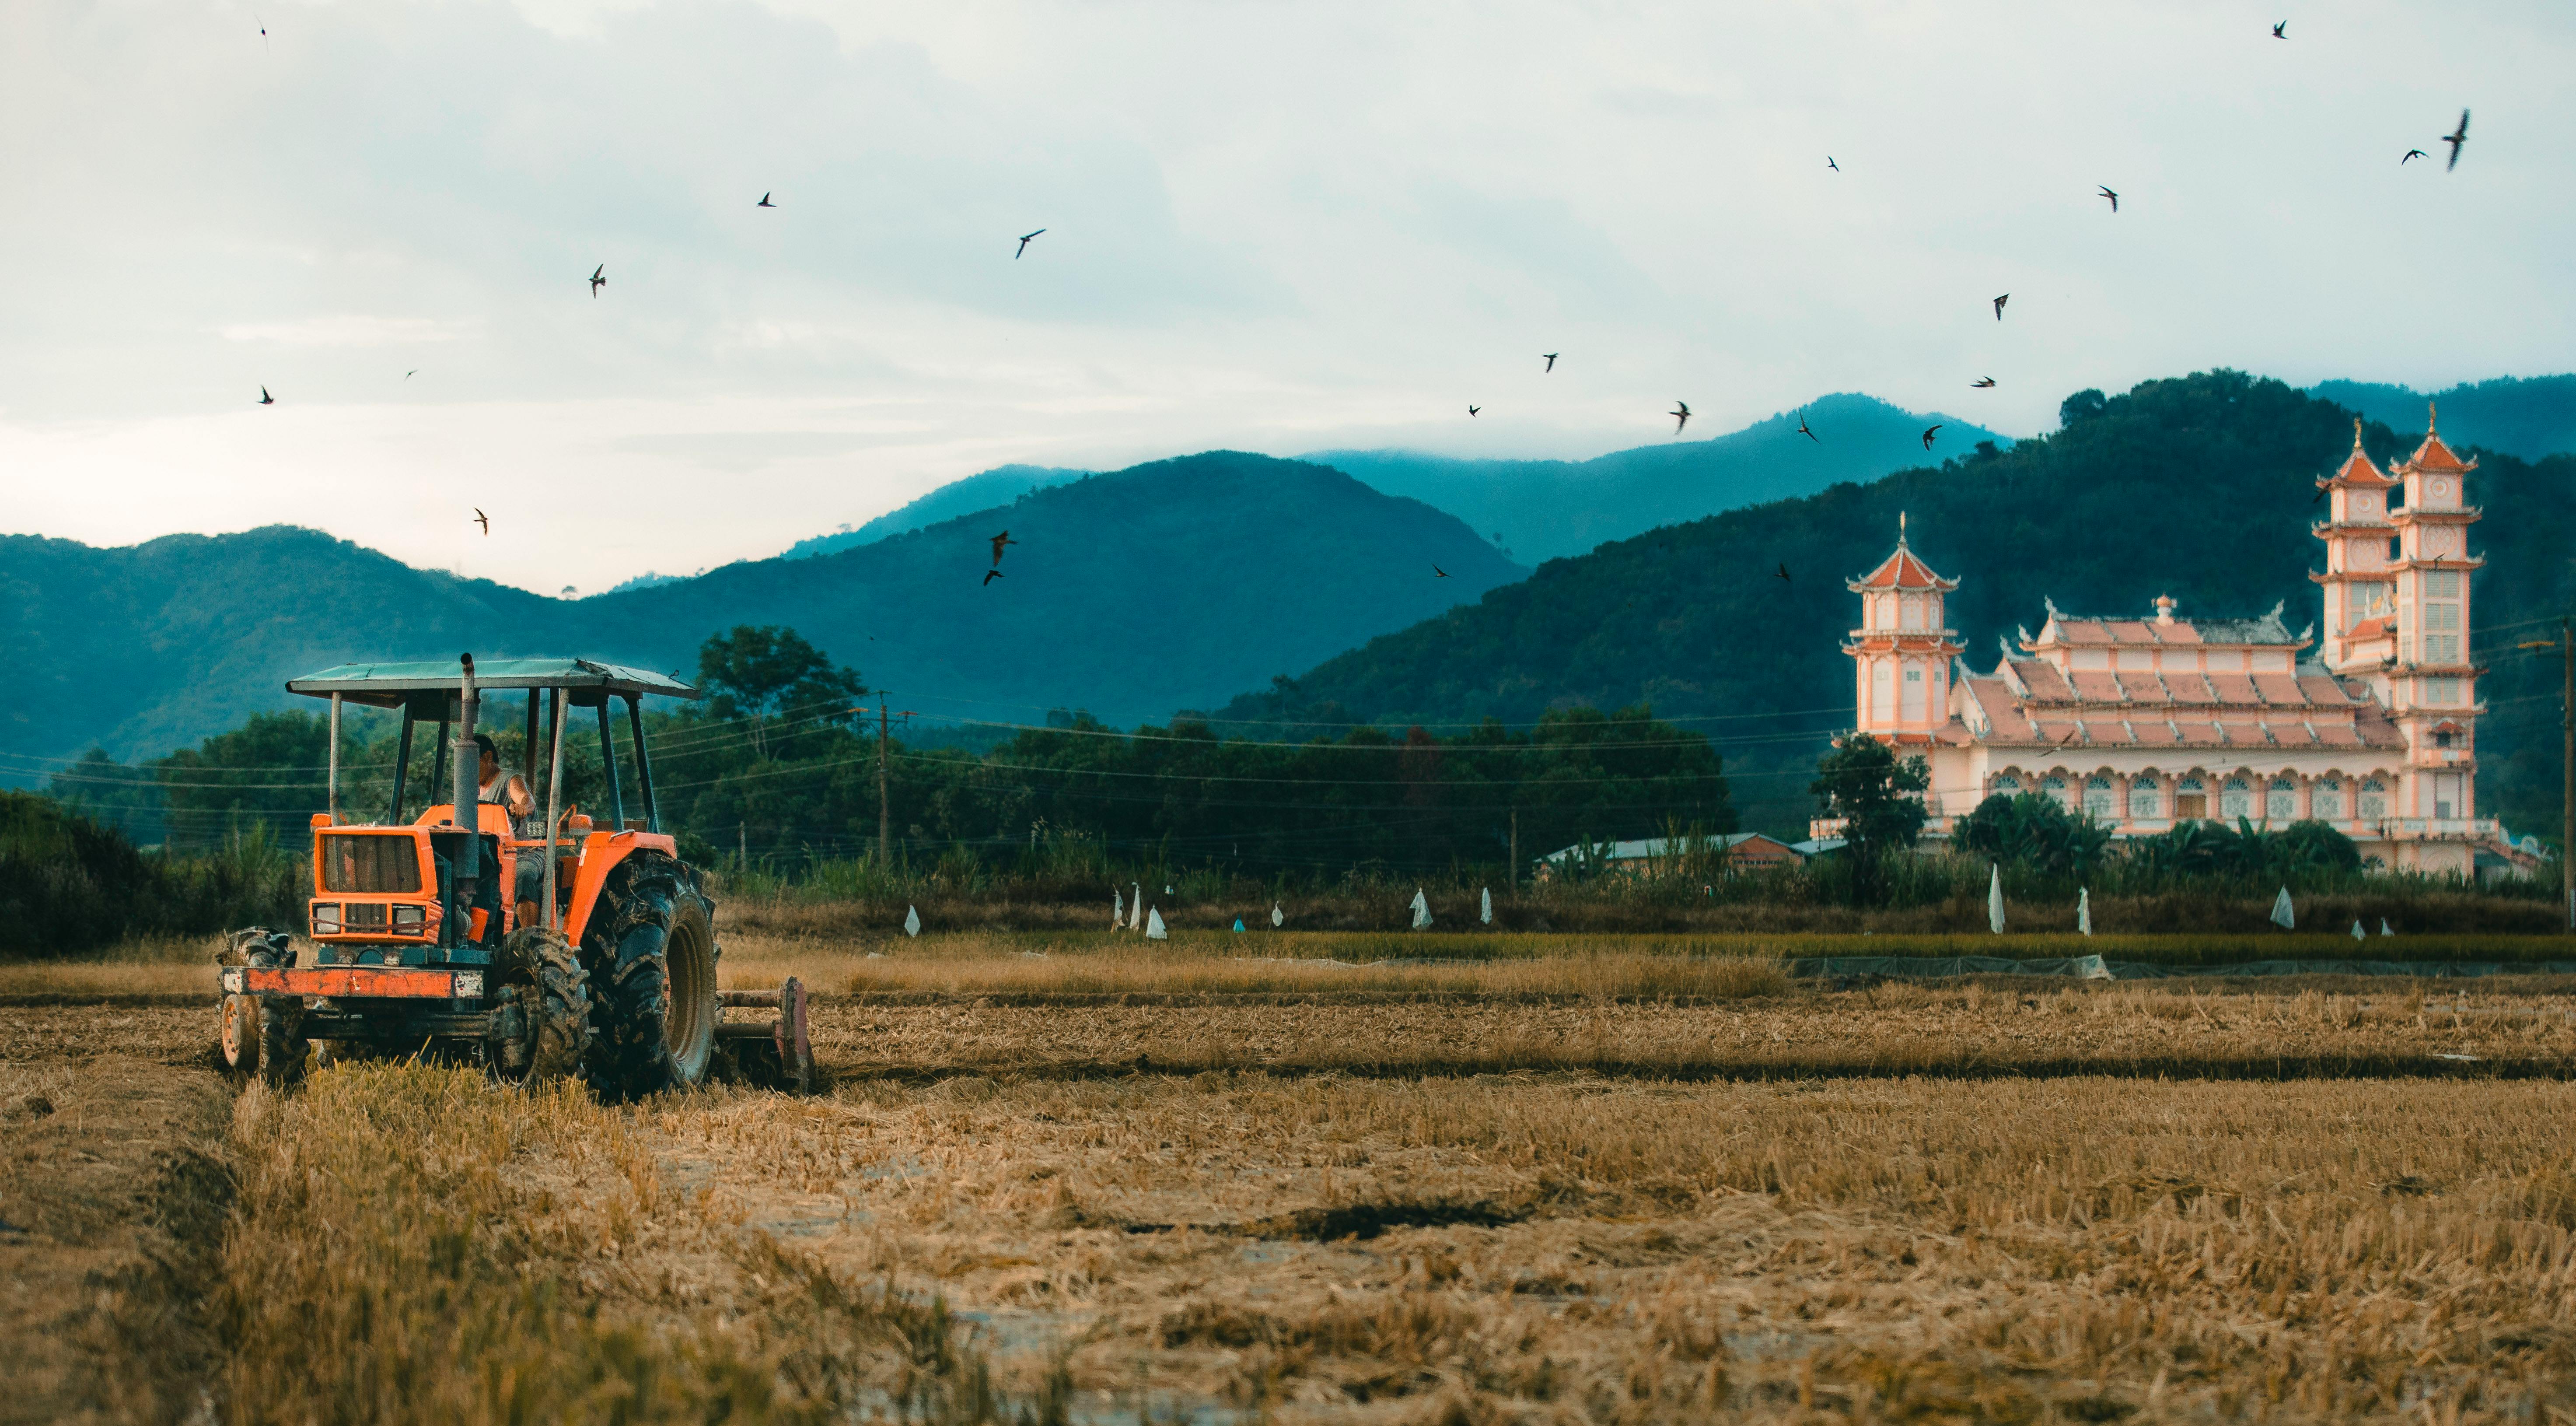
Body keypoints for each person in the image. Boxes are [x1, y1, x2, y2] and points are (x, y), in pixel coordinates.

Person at [473, 734, 543, 928]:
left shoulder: (509, 779)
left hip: (522, 852)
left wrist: (523, 806)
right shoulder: (471, 790)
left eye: (472, 761)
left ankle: (530, 937)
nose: (467, 769)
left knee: (522, 875)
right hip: (491, 857)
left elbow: (526, 799)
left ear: (488, 757)